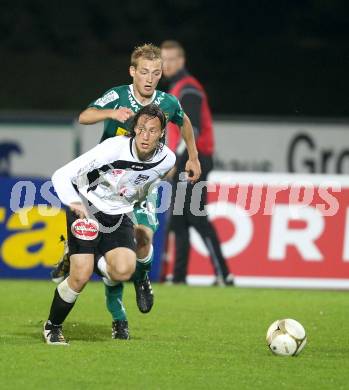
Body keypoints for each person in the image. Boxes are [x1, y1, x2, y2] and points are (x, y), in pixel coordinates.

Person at [50, 43, 201, 338]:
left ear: (161, 75)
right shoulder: (118, 95)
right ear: (133, 72)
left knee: (143, 238)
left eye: (156, 73)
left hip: (140, 184)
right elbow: (84, 115)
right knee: (115, 266)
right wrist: (109, 114)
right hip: (106, 184)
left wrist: (193, 156)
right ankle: (118, 316)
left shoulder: (167, 103)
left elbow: (185, 122)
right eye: (143, 72)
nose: (149, 78)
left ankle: (142, 279)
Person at [43, 104, 176, 345]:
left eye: (153, 131)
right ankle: (52, 326)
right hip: (87, 208)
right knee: (80, 276)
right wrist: (74, 202)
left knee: (123, 270)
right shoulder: (112, 149)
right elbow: (61, 175)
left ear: (162, 134)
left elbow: (145, 182)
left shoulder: (167, 160)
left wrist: (131, 201)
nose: (146, 136)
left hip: (119, 214)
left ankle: (84, 256)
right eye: (142, 129)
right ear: (134, 129)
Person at [160, 40, 234, 286]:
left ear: (181, 61)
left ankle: (224, 274)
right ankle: (179, 278)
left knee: (194, 215)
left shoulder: (188, 88)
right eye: (163, 59)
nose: (166, 64)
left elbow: (194, 130)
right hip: (187, 159)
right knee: (179, 219)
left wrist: (176, 161)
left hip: (195, 159)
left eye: (171, 59)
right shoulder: (178, 88)